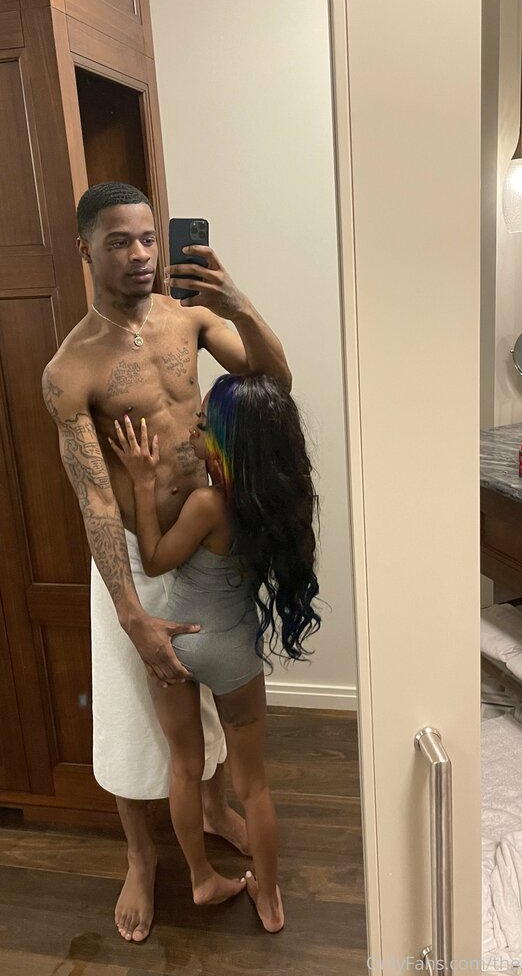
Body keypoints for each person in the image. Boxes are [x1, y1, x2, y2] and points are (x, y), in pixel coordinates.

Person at [42, 182, 291, 943]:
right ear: (86, 250)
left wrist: (238, 301)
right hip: (131, 553)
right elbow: (94, 497)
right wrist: (132, 615)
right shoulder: (71, 370)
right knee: (131, 712)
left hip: (202, 538)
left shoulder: (190, 318)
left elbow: (274, 381)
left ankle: (213, 811)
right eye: (119, 241)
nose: (142, 254)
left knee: (205, 706)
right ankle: (141, 858)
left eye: (148, 237)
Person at [109, 373, 320, 932]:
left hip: (179, 642)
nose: (192, 434)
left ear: (228, 442)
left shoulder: (206, 503)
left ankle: (201, 878)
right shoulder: (280, 504)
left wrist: (142, 482)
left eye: (203, 426)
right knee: (255, 785)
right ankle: (269, 900)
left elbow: (154, 559)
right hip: (233, 648)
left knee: (185, 767)